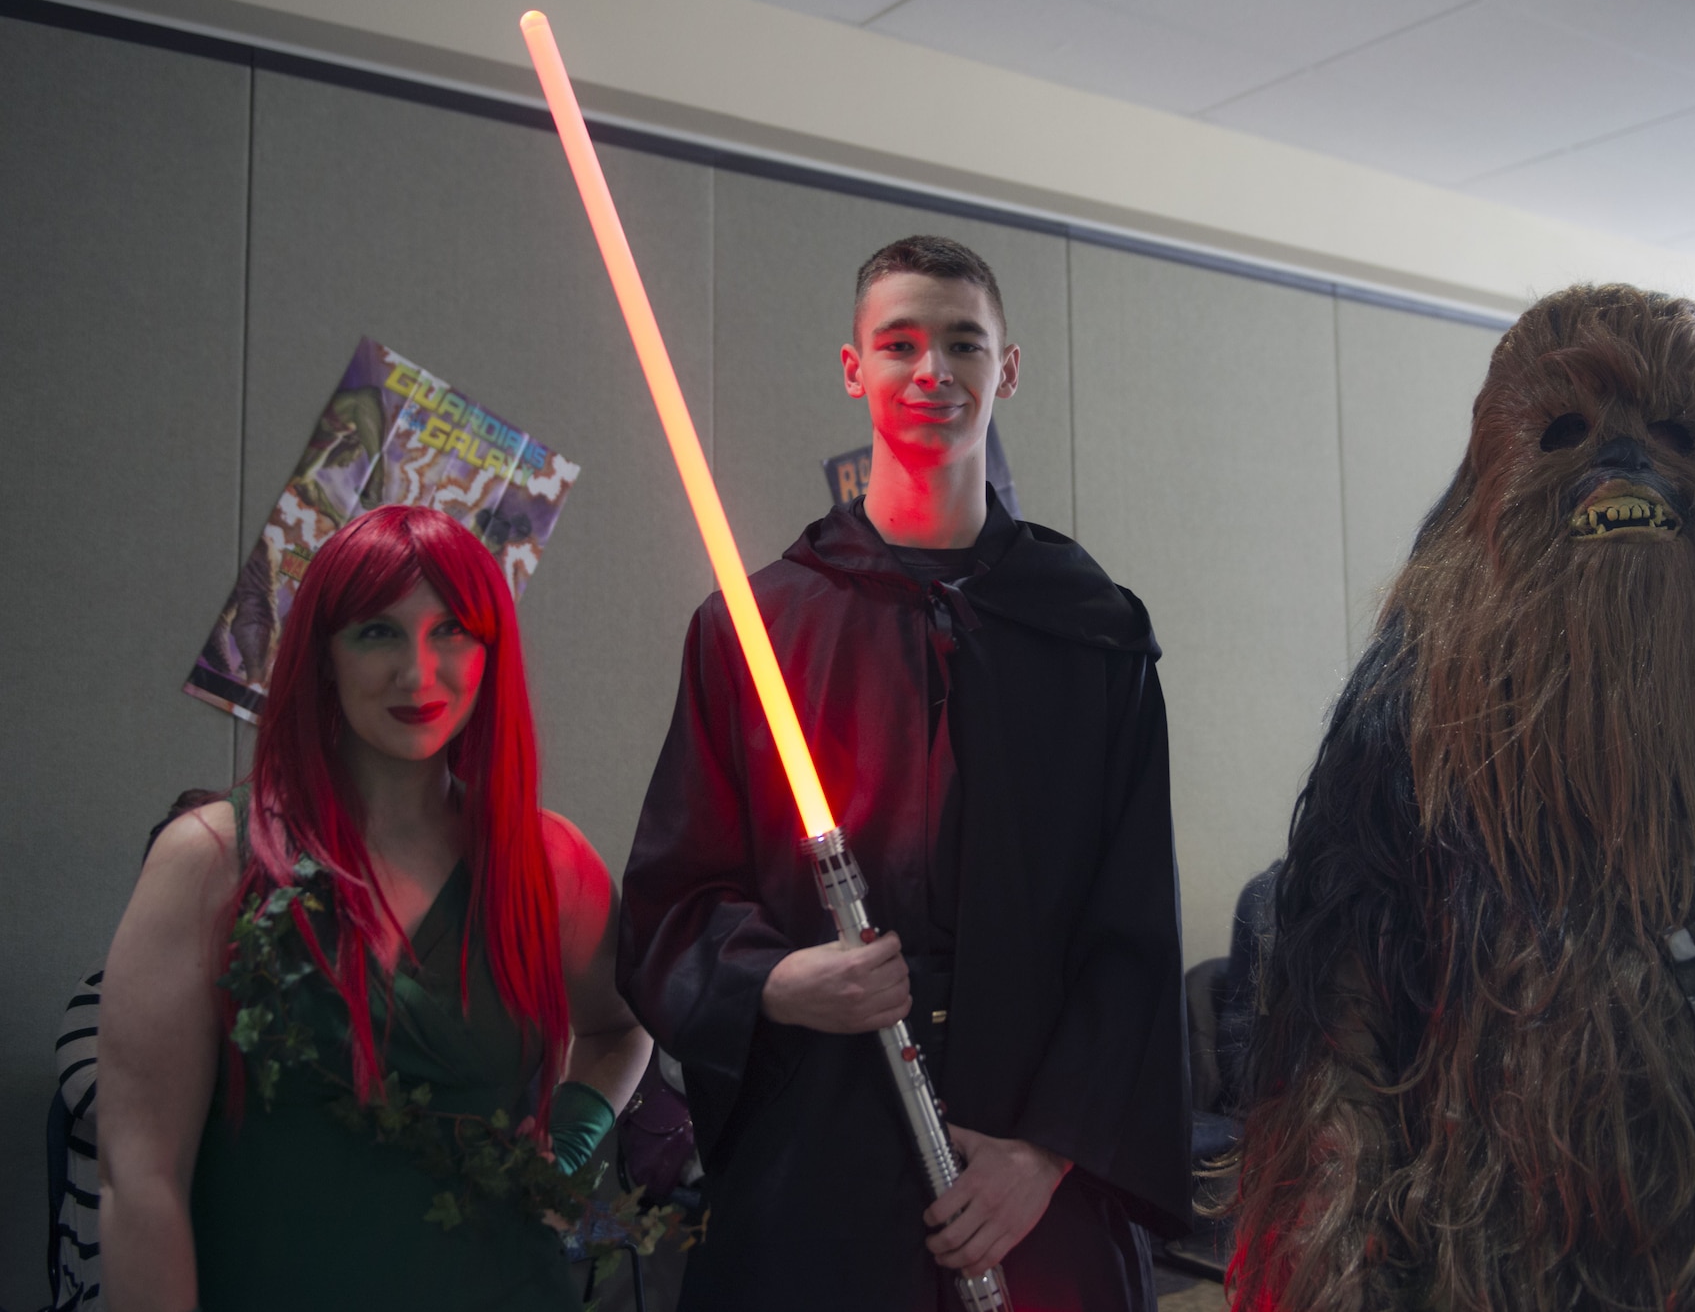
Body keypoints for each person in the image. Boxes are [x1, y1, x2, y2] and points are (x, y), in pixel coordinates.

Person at [1232, 285, 1695, 1311]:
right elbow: (1336, 1081)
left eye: (1672, 433)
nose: (1622, 462)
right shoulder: (1409, 717)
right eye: (1565, 432)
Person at [619, 235, 1193, 1310]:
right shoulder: (754, 628)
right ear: (854, 370)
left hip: (1038, 1206)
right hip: (816, 1200)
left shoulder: (1097, 634)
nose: (931, 371)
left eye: (961, 344)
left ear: (1005, 370)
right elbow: (665, 909)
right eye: (899, 344)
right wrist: (776, 982)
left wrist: (1045, 1157)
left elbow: (1133, 941)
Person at [97, 504, 654, 1312]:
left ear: (490, 652)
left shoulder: (547, 860)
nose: (418, 673)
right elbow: (140, 1178)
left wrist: (564, 1146)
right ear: (322, 655)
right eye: (377, 633)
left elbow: (620, 1025)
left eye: (452, 631)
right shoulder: (210, 861)